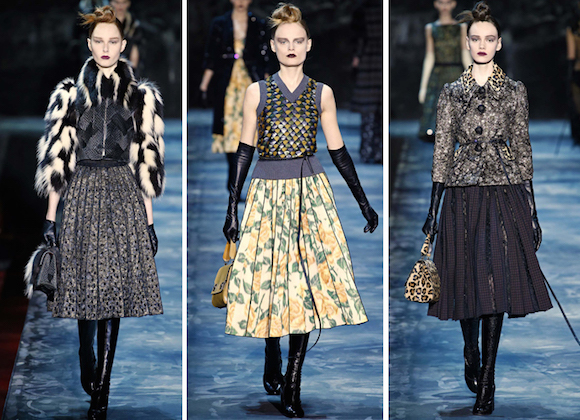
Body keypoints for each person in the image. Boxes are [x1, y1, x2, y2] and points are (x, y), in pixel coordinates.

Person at [222, 3, 379, 418]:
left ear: (308, 45)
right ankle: (271, 348)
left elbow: (339, 151)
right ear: (273, 46)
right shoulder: (256, 92)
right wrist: (232, 206)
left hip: (310, 194)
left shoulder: (321, 93)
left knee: (304, 288)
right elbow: (244, 150)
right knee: (270, 282)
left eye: (298, 40)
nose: (291, 47)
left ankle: (293, 383)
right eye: (283, 41)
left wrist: (363, 201)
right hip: (267, 194)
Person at [422, 1, 552, 415]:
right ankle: (470, 350)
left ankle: (489, 379)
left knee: (495, 281)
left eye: (489, 38)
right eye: (475, 38)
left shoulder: (514, 91)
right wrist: (432, 208)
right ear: (467, 42)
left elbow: (523, 148)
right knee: (465, 279)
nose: (481, 44)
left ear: (499, 44)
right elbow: (442, 150)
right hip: (461, 191)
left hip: (504, 189)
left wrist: (532, 209)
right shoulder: (451, 92)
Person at [34, 6, 164, 419]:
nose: (106, 48)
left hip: (122, 196)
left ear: (123, 45)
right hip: (82, 193)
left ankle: (102, 392)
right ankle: (85, 350)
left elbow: (145, 163)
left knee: (111, 294)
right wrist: (51, 219)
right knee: (84, 286)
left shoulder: (140, 97)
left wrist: (149, 222)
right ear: (89, 45)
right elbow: (58, 162)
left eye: (113, 42)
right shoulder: (69, 95)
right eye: (99, 41)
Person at [200, 0, 271, 191]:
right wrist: (204, 85)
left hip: (250, 83)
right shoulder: (220, 24)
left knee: (248, 131)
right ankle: (234, 178)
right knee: (229, 131)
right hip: (227, 85)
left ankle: (235, 180)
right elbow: (212, 56)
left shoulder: (258, 25)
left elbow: (264, 59)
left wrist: (269, 87)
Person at [418, 0, 471, 142]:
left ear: (454, 4)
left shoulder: (461, 27)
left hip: (456, 74)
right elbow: (429, 56)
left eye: (448, 2)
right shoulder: (431, 28)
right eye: (441, 2)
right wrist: (423, 87)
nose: (445, 6)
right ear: (436, 4)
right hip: (437, 76)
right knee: (437, 120)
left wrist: (473, 78)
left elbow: (465, 53)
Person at [350, 0, 383, 164]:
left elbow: (357, 36)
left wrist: (357, 55)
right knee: (374, 109)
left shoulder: (362, 10)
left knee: (371, 109)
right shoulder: (363, 10)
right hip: (373, 59)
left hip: (371, 58)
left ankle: (369, 150)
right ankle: (375, 151)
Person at [109, 0, 143, 72]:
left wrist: (132, 69)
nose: (120, 6)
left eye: (124, 2)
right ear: (111, 2)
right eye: (117, 2)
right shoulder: (103, 22)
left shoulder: (134, 24)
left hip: (127, 64)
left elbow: (135, 48)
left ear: (129, 3)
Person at [566, 3, 580, 145]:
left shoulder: (573, 30)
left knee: (576, 105)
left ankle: (577, 135)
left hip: (578, 70)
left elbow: (571, 54)